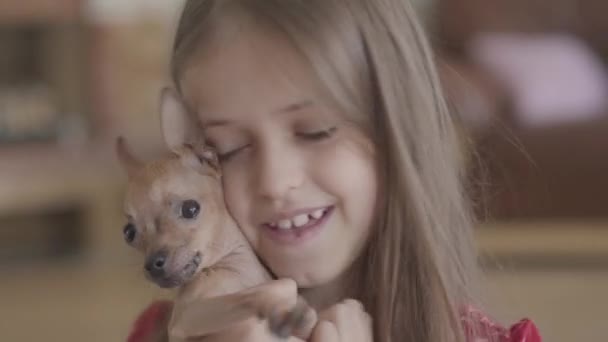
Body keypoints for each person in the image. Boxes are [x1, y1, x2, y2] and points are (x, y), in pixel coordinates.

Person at [127, 0, 541, 341]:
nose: (274, 181)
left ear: (397, 129)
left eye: (316, 131)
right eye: (228, 149)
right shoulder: (158, 333)